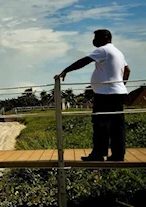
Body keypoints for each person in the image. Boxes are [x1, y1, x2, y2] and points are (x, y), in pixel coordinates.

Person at [54, 29, 130, 162]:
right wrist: (120, 84)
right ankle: (118, 155)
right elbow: (127, 70)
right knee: (117, 126)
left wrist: (65, 71)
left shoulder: (103, 50)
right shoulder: (118, 52)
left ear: (105, 38)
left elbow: (84, 61)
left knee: (100, 125)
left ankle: (98, 154)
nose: (94, 40)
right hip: (118, 93)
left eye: (96, 37)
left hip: (105, 94)